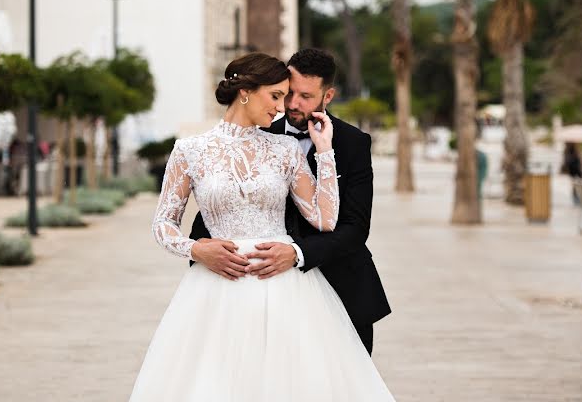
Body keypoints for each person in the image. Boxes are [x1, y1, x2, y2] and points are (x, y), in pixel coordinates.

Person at [129, 52, 394, 402]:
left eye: (295, 96)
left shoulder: (287, 148)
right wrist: (197, 247)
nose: (284, 107)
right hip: (217, 288)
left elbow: (330, 220)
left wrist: (325, 151)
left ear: (326, 97)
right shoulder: (190, 150)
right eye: (277, 96)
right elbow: (164, 223)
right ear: (246, 91)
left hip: (290, 288)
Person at [191, 48, 390, 354]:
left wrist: (297, 253)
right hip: (261, 292)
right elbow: (222, 199)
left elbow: (355, 227)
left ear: (328, 96)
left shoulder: (353, 143)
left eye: (306, 96)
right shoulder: (256, 128)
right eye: (289, 92)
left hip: (341, 285)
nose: (292, 104)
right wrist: (200, 248)